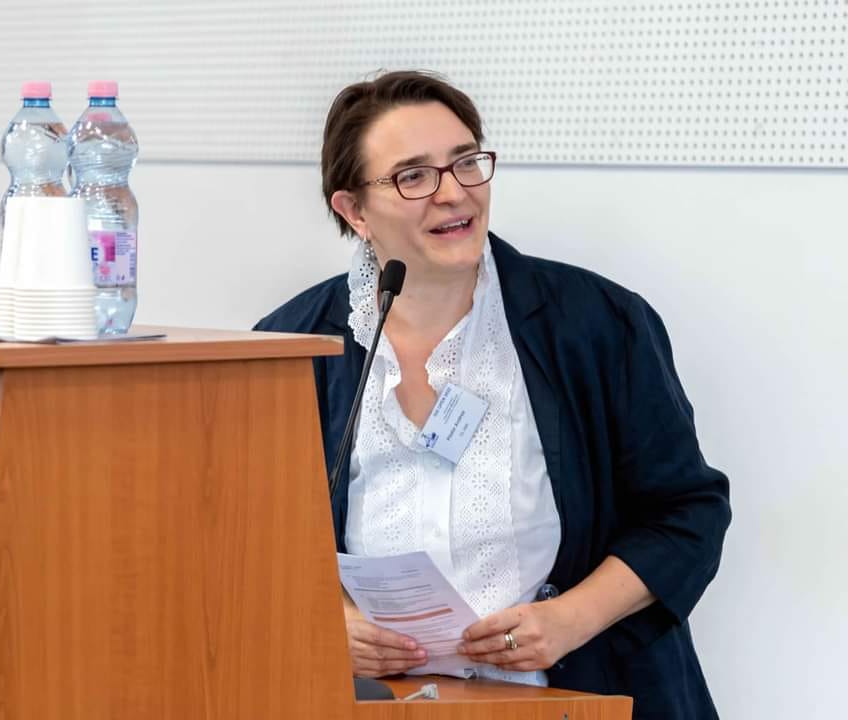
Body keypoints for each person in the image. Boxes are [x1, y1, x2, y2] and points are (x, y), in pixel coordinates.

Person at [255, 71, 731, 719]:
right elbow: (250, 535)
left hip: (576, 698)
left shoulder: (595, 323)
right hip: (379, 705)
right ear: (354, 211)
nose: (454, 194)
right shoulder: (293, 343)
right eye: (413, 176)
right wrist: (326, 618)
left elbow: (686, 514)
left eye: (466, 163)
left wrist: (570, 619)